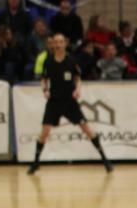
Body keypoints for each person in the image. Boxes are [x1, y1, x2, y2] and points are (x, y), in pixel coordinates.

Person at [28, 33, 112, 175]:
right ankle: (35, 163)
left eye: (61, 42)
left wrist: (77, 90)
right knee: (44, 132)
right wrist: (45, 90)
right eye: (56, 42)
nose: (59, 44)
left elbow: (78, 78)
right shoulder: (48, 61)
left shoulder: (71, 60)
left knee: (87, 129)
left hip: (69, 101)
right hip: (54, 101)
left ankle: (105, 161)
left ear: (65, 43)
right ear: (53, 44)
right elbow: (43, 79)